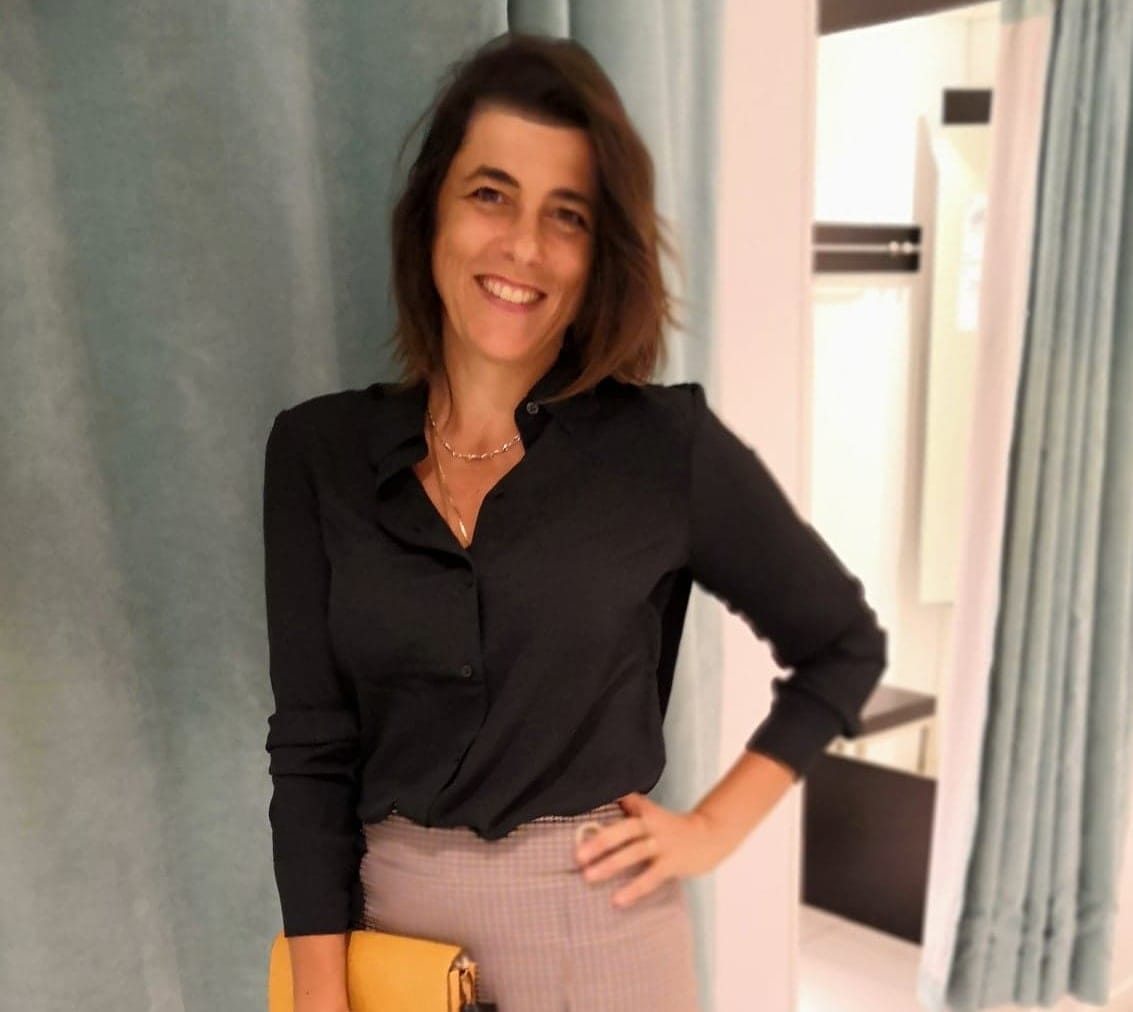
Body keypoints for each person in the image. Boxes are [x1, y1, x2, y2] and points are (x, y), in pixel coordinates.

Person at [262, 31, 886, 1012]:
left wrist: (713, 829)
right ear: (431, 211)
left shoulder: (662, 448)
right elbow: (311, 748)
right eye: (490, 194)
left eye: (567, 215)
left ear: (599, 256)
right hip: (393, 941)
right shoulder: (317, 453)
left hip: (599, 940)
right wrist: (319, 995)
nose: (522, 246)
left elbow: (841, 646)